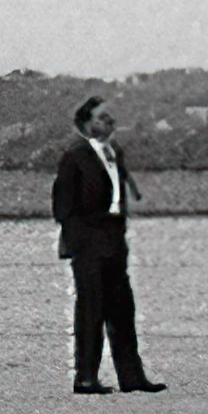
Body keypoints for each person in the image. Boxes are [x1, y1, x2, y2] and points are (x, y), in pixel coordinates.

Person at [52, 96, 163, 395]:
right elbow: (62, 205)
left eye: (110, 118)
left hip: (114, 240)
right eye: (102, 118)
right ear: (87, 123)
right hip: (89, 242)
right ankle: (85, 377)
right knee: (90, 309)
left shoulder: (115, 153)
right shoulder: (74, 157)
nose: (110, 122)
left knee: (122, 308)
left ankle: (132, 377)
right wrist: (78, 243)